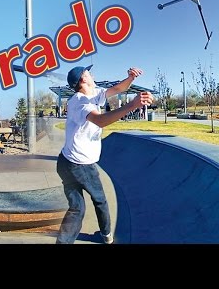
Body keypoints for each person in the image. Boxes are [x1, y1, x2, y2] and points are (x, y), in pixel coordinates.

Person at [56, 64, 153, 244]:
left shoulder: (93, 93)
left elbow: (117, 88)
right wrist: (133, 105)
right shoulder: (79, 102)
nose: (92, 74)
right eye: (88, 72)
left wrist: (131, 78)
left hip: (66, 161)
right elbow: (100, 121)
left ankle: (63, 242)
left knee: (77, 208)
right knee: (100, 200)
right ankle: (107, 236)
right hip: (80, 166)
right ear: (83, 79)